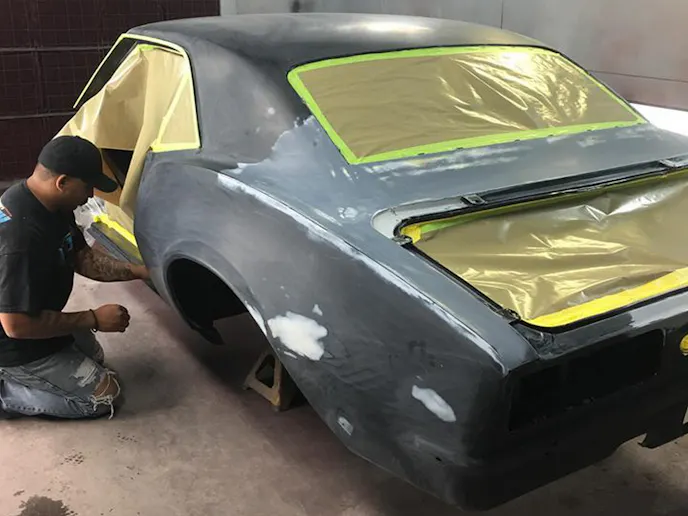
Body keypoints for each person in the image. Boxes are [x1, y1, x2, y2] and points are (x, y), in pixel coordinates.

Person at [0, 135, 149, 419]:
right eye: (87, 186)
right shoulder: (21, 238)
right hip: (11, 342)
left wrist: (138, 271)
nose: (91, 195)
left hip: (32, 315)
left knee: (95, 358)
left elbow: (83, 258)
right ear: (62, 182)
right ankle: (5, 392)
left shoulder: (49, 205)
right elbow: (15, 325)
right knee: (103, 396)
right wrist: (93, 318)